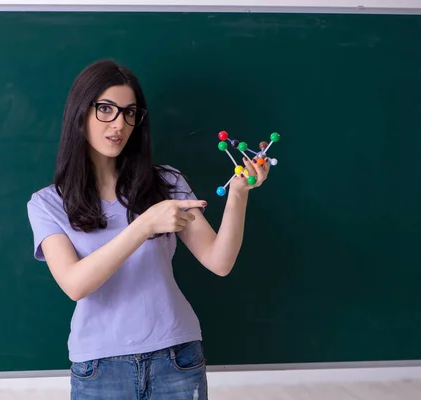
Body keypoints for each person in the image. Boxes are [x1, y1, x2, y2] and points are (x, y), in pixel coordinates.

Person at [26, 59, 271, 400]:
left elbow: (220, 261)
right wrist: (144, 225)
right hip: (98, 369)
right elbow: (75, 284)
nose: (119, 124)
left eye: (129, 113)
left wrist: (238, 194)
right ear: (80, 113)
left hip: (177, 358)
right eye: (106, 109)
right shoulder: (47, 204)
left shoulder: (166, 182)